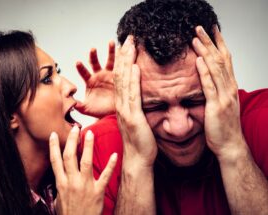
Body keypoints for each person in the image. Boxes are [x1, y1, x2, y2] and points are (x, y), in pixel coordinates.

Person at [79, 0, 268, 214]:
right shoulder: (97, 146)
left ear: (222, 77)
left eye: (194, 101)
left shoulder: (263, 120)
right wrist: (136, 160)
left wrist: (232, 148)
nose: (179, 129)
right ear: (128, 93)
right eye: (155, 106)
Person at [0, 30, 118, 215]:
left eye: (57, 71)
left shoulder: (68, 182)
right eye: (47, 79)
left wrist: (121, 116)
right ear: (8, 114)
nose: (71, 86)